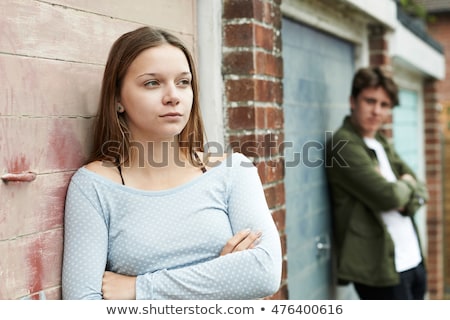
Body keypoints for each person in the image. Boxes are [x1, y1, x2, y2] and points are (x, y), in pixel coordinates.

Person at [62, 26, 282, 300]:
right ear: (118, 98)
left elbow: (264, 272)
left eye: (183, 82)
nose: (173, 96)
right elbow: (82, 304)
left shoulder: (234, 171)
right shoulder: (93, 187)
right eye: (152, 83)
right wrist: (223, 280)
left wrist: (140, 289)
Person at [325, 66, 428, 300]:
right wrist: (406, 187)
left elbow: (422, 188)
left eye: (384, 105)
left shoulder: (380, 141)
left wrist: (407, 193)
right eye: (370, 101)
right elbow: (388, 197)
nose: (376, 111)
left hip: (413, 258)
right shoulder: (344, 145)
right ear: (353, 101)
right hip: (380, 269)